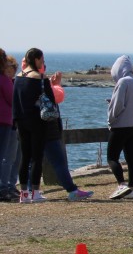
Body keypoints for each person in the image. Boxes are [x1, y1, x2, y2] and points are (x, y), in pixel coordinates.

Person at [12, 48, 92, 202]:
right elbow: (50, 99)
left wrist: (15, 121)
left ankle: (24, 194)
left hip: (21, 121)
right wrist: (55, 85)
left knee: (25, 158)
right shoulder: (40, 78)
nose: (43, 62)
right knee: (37, 158)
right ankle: (35, 193)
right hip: (38, 122)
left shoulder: (18, 78)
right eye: (42, 60)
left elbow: (15, 102)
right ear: (36, 59)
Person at [106, 55, 133, 200]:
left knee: (112, 157)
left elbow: (117, 106)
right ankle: (132, 188)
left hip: (121, 125)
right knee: (131, 157)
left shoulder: (122, 82)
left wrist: (110, 120)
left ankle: (121, 185)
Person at [0, 49, 20, 202]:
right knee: (6, 155)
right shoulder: (4, 80)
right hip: (5, 121)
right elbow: (12, 99)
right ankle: (3, 188)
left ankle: (6, 186)